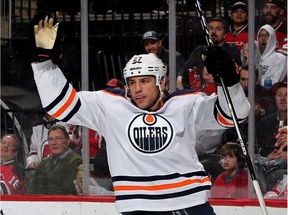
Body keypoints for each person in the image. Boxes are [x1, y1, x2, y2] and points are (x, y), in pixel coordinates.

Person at [31, 16, 250, 214]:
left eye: (145, 81)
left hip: (190, 204)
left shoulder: (185, 103)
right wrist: (44, 64)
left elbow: (234, 115)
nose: (137, 89)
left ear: (162, 82)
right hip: (138, 208)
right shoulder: (111, 107)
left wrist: (229, 81)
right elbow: (59, 106)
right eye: (132, 82)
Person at [177, 17, 242, 89]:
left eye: (218, 29)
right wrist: (180, 79)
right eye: (211, 28)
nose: (213, 32)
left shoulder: (232, 52)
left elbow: (238, 76)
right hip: (202, 93)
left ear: (225, 35)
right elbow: (184, 69)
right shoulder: (200, 50)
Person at [26, 124, 83, 195]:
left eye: (58, 138)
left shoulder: (76, 161)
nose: (54, 143)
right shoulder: (43, 164)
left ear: (67, 141)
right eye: (50, 139)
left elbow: (67, 190)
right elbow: (33, 190)